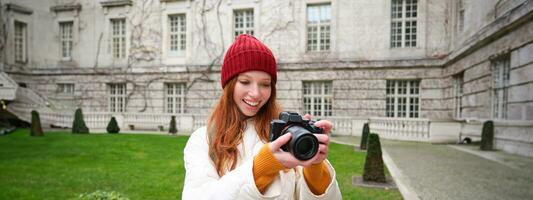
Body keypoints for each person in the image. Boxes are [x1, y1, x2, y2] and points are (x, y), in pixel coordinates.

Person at [182, 34, 342, 199]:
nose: (256, 94)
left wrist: (315, 167)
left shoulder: (286, 134)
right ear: (229, 85)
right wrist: (262, 167)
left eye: (265, 84)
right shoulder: (203, 139)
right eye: (245, 82)